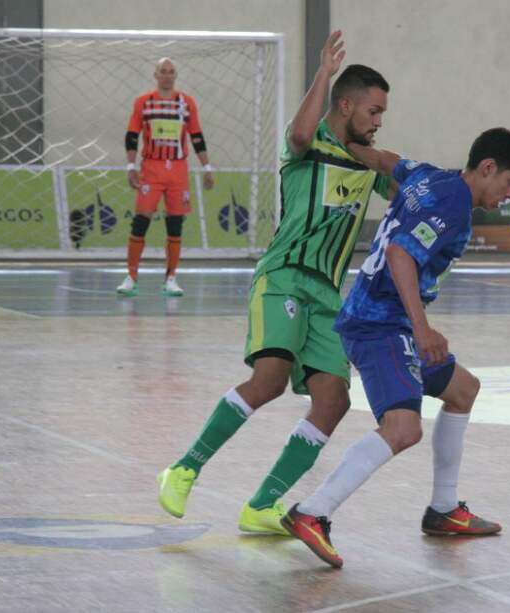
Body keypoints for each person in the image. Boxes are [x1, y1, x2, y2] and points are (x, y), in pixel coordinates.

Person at [156, 31, 394, 536]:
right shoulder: (309, 145)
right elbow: (302, 135)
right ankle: (184, 468)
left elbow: (407, 188)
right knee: (269, 378)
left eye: (382, 115)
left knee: (334, 400)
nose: (378, 122)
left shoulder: (368, 161)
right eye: (373, 111)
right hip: (284, 276)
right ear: (346, 104)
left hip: (330, 294)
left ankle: (262, 504)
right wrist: (322, 74)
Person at [280, 128, 510, 569]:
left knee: (463, 390)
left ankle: (443, 510)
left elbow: (386, 160)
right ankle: (313, 512)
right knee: (403, 429)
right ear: (488, 168)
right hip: (382, 325)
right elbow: (400, 253)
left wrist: (347, 144)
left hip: (381, 321)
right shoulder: (454, 204)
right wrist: (423, 329)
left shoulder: (430, 176)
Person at [117, 57, 215, 298]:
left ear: (175, 75)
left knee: (175, 225)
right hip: (151, 168)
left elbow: (197, 136)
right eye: (163, 71)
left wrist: (207, 167)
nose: (168, 75)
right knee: (141, 222)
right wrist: (131, 165)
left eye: (172, 71)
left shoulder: (187, 103)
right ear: (155, 74)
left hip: (178, 171)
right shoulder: (143, 103)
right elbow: (132, 135)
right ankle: (131, 276)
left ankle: (171, 278)